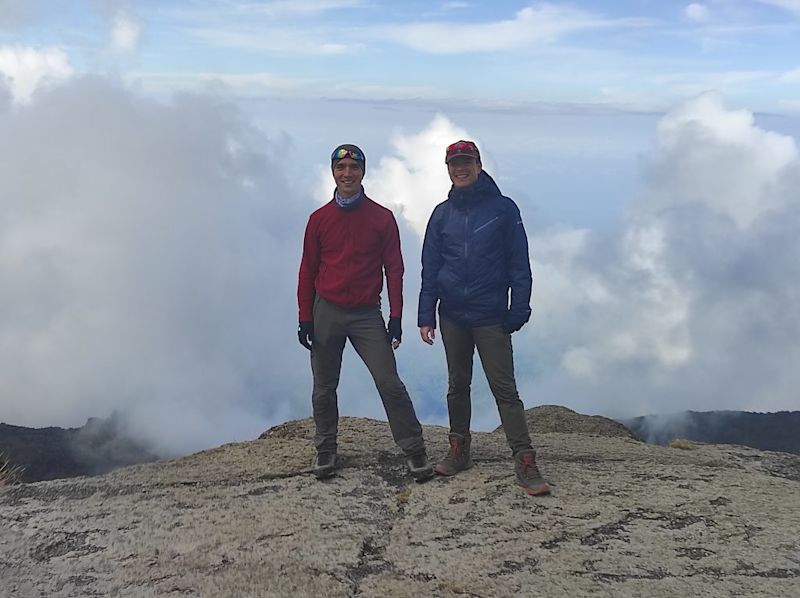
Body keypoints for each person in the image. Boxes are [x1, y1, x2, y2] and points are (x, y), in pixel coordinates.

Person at [417, 140, 551, 496]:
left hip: (490, 314)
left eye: (466, 162)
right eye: (454, 163)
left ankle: (525, 460)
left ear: (478, 165)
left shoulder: (503, 209)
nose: (460, 168)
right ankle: (458, 449)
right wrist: (425, 313)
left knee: (504, 390)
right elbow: (430, 268)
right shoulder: (441, 214)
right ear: (448, 168)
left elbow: (519, 264)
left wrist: (519, 308)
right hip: (453, 316)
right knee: (457, 384)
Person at [298, 143, 433, 482]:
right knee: (324, 387)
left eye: (353, 169)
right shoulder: (319, 220)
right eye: (341, 168)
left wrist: (397, 317)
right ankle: (325, 447)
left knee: (389, 382)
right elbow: (307, 270)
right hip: (327, 309)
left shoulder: (381, 218)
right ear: (333, 172)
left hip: (366, 314)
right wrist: (305, 317)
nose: (347, 174)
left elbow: (395, 269)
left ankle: (414, 449)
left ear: (363, 172)